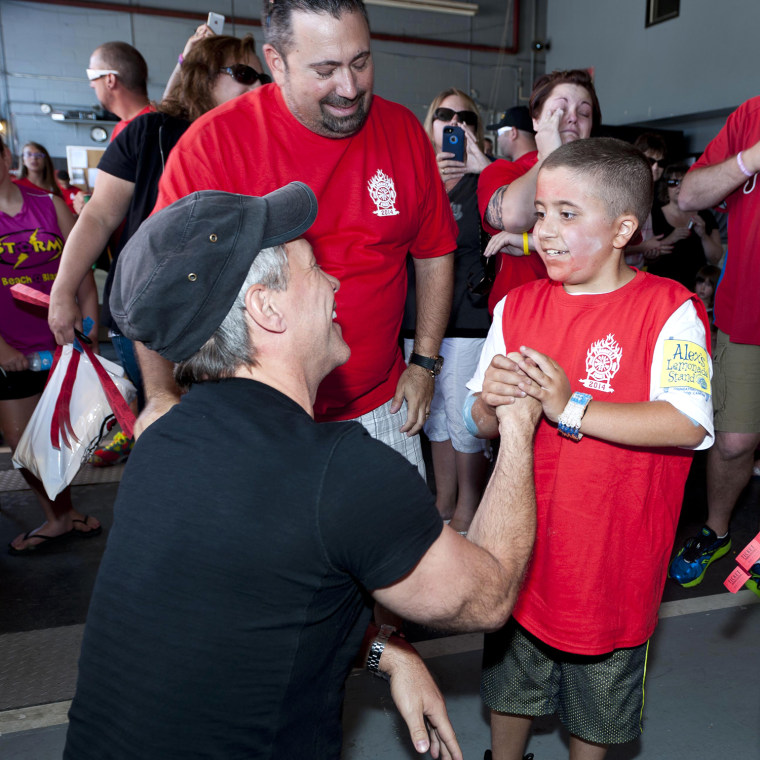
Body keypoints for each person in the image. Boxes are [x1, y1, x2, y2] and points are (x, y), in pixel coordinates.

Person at [64, 183, 541, 759]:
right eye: (314, 266)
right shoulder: (340, 470)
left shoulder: (165, 440)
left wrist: (387, 653)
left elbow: (260, 609)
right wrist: (517, 427)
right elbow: (488, 598)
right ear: (265, 307)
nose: (335, 282)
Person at [466, 138, 713, 760]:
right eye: (542, 212)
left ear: (624, 227)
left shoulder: (669, 311)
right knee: (509, 688)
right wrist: (490, 402)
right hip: (520, 554)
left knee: (598, 715)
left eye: (568, 214)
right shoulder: (515, 306)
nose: (545, 230)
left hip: (611, 565)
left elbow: (686, 421)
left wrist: (571, 407)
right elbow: (480, 419)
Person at [144, 0, 457, 475]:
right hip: (255, 421)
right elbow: (157, 280)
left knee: (398, 548)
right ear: (276, 63)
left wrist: (426, 363)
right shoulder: (214, 145)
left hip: (381, 407)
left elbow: (434, 253)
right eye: (326, 69)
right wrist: (161, 395)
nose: (349, 88)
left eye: (361, 62)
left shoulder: (403, 132)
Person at [49, 33, 267, 465]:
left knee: (227, 444)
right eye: (243, 74)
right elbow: (98, 216)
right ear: (204, 77)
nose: (257, 86)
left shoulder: (254, 141)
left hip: (232, 319)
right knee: (182, 438)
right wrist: (62, 291)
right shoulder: (151, 132)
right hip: (155, 322)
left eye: (260, 76)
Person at [668, 96, 760, 596]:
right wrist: (753, 158)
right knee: (733, 442)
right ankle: (717, 533)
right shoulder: (750, 116)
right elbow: (688, 197)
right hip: (748, 316)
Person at [0, 136, 100, 555]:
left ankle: (64, 515)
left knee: (61, 439)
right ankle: (57, 514)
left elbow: (82, 272)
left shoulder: (47, 203)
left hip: (61, 346)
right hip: (12, 355)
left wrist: (90, 326)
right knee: (24, 448)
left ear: (4, 156)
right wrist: (1, 349)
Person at [402, 88, 492, 532]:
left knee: (463, 417)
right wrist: (430, 185)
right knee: (433, 415)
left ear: (476, 131)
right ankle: (444, 497)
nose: (455, 123)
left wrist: (486, 169)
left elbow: (515, 215)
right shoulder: (415, 176)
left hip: (469, 317)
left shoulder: (485, 182)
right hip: (419, 319)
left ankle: (469, 505)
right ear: (430, 123)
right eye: (445, 114)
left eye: (466, 118)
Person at [478, 69, 601, 314]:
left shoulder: (603, 179)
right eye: (560, 110)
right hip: (522, 317)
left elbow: (606, 244)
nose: (573, 118)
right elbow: (513, 217)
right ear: (536, 120)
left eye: (584, 112)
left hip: (587, 315)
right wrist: (549, 156)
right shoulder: (503, 171)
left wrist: (528, 242)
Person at [645, 163, 723, 288]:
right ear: (666, 187)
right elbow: (644, 255)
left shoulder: (706, 215)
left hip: (694, 288)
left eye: (684, 182)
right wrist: (671, 238)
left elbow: (715, 258)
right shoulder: (653, 214)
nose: (679, 186)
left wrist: (703, 235)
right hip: (660, 286)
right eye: (673, 182)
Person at [87, 41, 152, 142]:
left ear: (110, 80)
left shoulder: (152, 129)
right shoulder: (121, 129)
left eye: (92, 76)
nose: (92, 85)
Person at [624, 132, 667, 268]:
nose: (655, 167)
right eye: (650, 160)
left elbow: (648, 252)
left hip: (637, 275)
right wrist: (644, 247)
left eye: (660, 163)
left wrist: (651, 252)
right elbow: (606, 248)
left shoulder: (647, 197)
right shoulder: (624, 194)